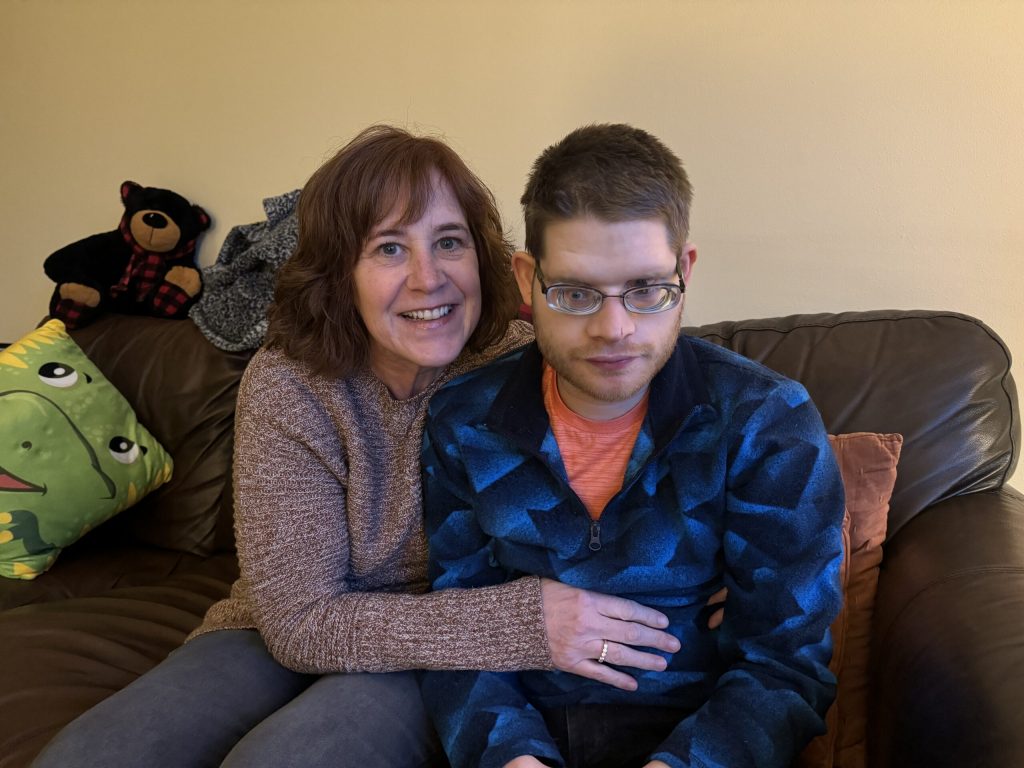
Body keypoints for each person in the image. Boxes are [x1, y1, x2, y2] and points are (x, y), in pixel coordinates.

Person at [31, 125, 689, 768]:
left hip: (442, 647)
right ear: (338, 272)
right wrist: (517, 623)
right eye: (389, 249)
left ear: (486, 260)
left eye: (449, 242)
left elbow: (672, 409)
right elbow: (297, 622)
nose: (429, 279)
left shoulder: (524, 362)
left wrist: (729, 572)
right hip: (285, 626)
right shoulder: (289, 380)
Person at [420, 123, 846, 768]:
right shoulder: (462, 420)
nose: (613, 329)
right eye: (575, 292)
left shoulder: (768, 421)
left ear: (686, 271)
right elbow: (459, 636)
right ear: (528, 281)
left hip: (703, 737)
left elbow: (787, 665)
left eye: (647, 289)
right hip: (516, 738)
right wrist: (512, 759)